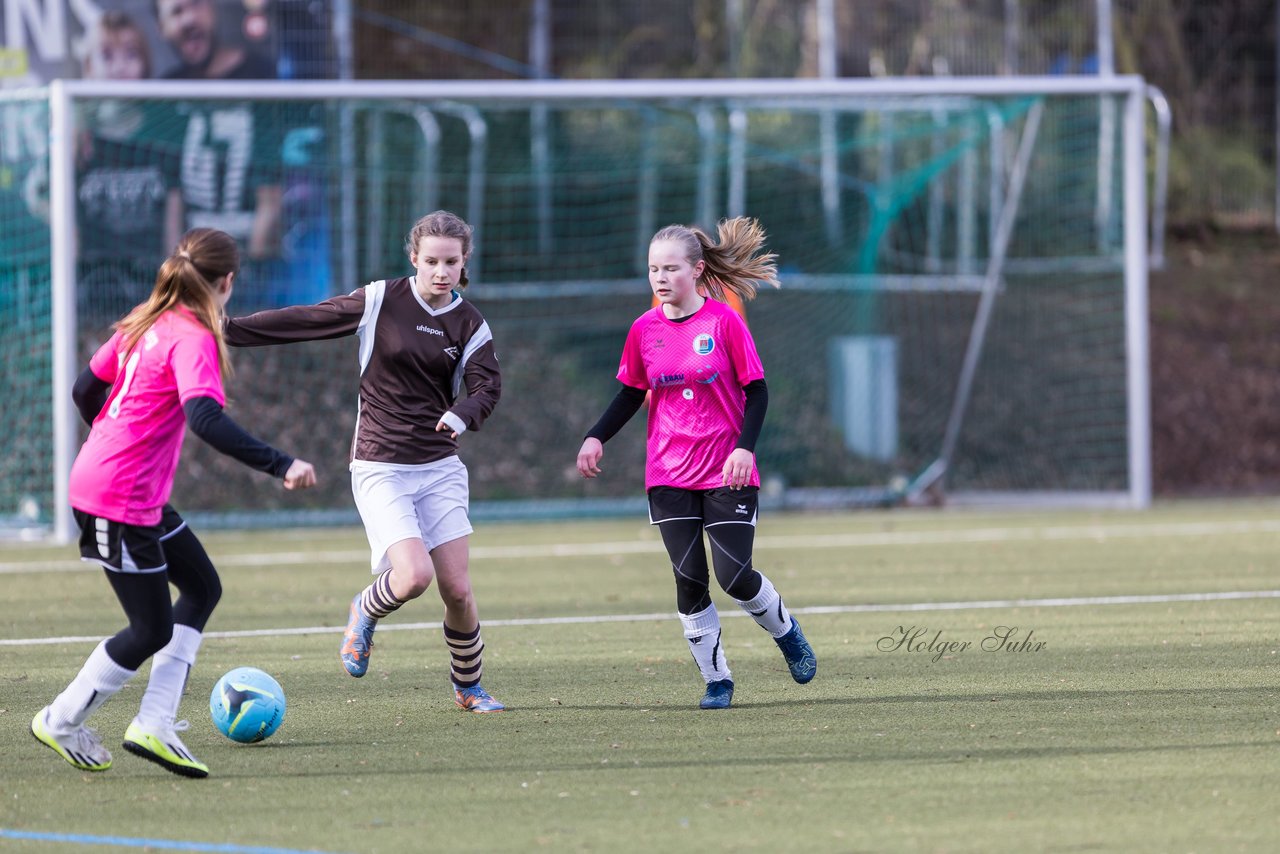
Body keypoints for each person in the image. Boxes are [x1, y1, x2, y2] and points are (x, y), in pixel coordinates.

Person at [30, 228, 317, 779]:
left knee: (202, 586)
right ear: (228, 282)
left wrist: (112, 437)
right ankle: (62, 719)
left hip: (124, 489)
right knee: (149, 629)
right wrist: (281, 463)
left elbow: (83, 389)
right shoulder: (193, 336)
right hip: (116, 497)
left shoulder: (148, 318)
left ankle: (155, 721)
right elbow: (204, 418)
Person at [222, 210, 506, 713]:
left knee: (458, 591)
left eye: (452, 262)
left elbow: (487, 387)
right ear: (413, 258)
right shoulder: (380, 300)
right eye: (432, 261)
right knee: (413, 577)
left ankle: (469, 687)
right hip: (381, 464)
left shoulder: (470, 324)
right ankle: (365, 609)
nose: (441, 271)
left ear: (465, 264)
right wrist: (231, 330)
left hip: (439, 467)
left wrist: (461, 415)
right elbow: (307, 319)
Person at [576, 218, 816, 710]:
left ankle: (786, 632)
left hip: (728, 469)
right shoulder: (644, 329)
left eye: (671, 268)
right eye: (652, 269)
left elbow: (757, 390)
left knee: (734, 576)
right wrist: (596, 436)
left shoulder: (724, 321)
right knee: (689, 580)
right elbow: (630, 392)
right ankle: (717, 681)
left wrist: (744, 448)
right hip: (668, 473)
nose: (660, 278)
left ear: (697, 269)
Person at [76, 10, 184, 322]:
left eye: (131, 54)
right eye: (107, 56)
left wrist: (174, 287)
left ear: (146, 64)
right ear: (88, 67)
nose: (120, 66)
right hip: (91, 286)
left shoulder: (163, 134)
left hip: (148, 283)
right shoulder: (77, 141)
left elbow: (172, 219)